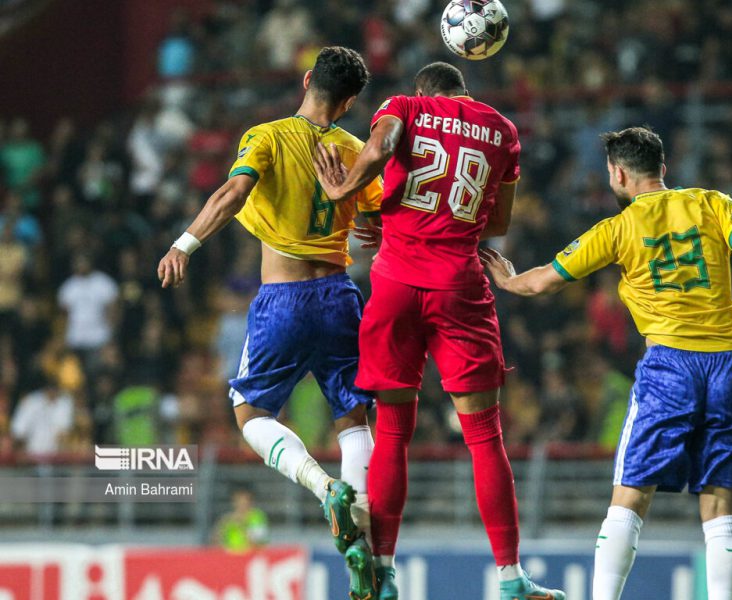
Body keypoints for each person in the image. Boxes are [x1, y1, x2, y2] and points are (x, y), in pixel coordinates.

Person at [480, 126, 732, 600]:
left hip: (669, 366)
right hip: (725, 366)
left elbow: (542, 282)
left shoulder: (617, 229)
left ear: (618, 174)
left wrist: (509, 280)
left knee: (630, 495)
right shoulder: (711, 203)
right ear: (662, 168)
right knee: (722, 506)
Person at [313, 62, 563, 600]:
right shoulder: (501, 129)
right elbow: (498, 222)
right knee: (485, 436)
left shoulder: (405, 107)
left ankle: (383, 572)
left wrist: (345, 191)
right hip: (459, 288)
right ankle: (511, 578)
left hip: (395, 285)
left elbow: (381, 147)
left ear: (423, 89)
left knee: (393, 434)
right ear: (462, 90)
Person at [156, 46, 382, 598]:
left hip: (284, 299)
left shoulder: (268, 136)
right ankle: (364, 542)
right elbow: (379, 221)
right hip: (341, 296)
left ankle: (324, 488)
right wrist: (372, 226)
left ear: (307, 80)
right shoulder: (357, 151)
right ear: (350, 102)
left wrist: (185, 243)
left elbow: (233, 194)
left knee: (250, 412)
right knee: (353, 418)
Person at [215, 487, 269, 554]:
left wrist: (242, 526)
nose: (241, 504)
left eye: (244, 500)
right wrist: (220, 528)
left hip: (250, 554)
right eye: (238, 500)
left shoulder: (257, 517)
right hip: (230, 554)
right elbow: (216, 542)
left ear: (250, 501)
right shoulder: (227, 518)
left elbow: (258, 543)